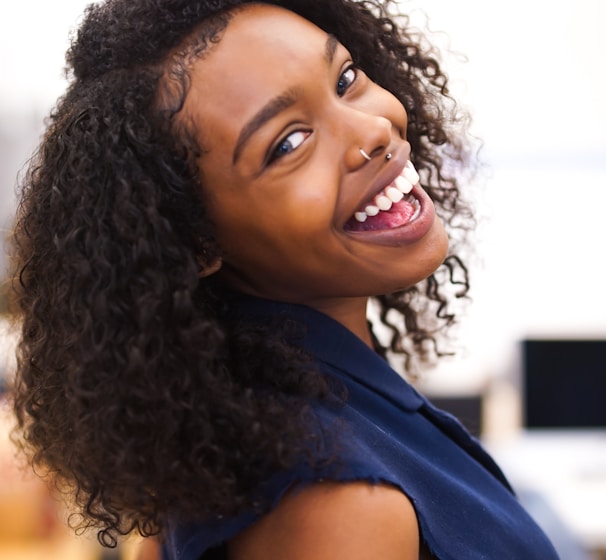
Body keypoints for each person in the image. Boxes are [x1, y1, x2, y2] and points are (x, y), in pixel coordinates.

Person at [9, 1, 560, 559]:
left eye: (345, 79)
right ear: (196, 240)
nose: (372, 130)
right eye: (288, 143)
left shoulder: (258, 424)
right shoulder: (337, 506)